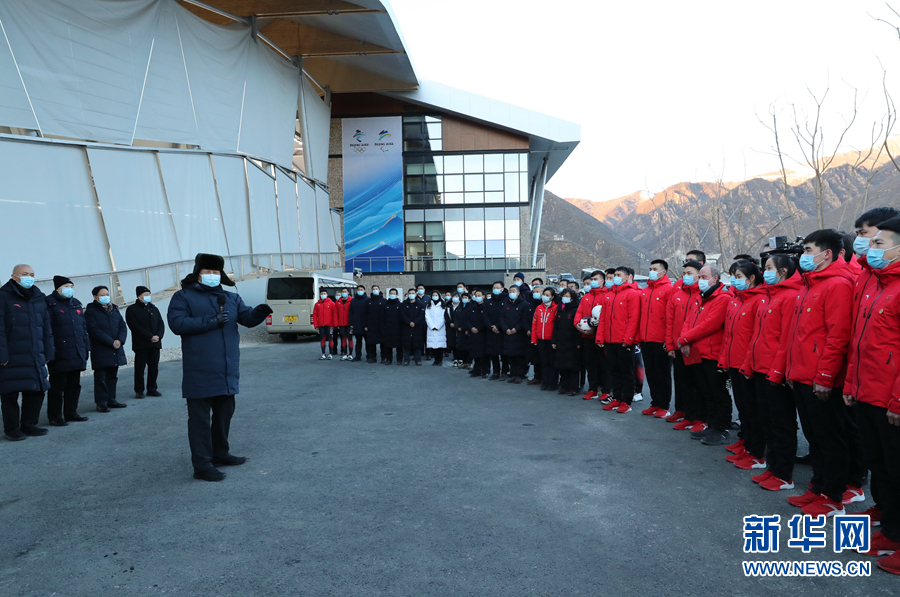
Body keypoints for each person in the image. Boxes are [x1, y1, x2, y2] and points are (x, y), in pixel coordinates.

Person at [774, 229, 866, 517]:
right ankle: (818, 485)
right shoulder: (810, 284)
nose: (803, 256)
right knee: (815, 437)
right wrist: (791, 369)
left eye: (809, 250)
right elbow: (799, 334)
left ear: (827, 254)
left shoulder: (837, 284)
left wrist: (825, 377)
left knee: (830, 438)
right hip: (801, 374)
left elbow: (838, 336)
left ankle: (833, 495)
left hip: (821, 378)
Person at [167, 253, 271, 482]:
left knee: (224, 415)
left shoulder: (230, 298)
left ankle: (220, 453)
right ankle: (202, 465)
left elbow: (246, 318)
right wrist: (211, 321)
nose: (212, 276)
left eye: (216, 272)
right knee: (200, 421)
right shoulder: (182, 297)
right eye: (207, 272)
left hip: (227, 370)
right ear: (198, 273)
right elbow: (176, 324)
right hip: (199, 369)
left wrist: (260, 312)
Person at [842, 216, 900, 573]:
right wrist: (851, 386)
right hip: (867, 393)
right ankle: (891, 531)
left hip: (890, 399)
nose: (870, 249)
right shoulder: (876, 284)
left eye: (879, 244)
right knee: (880, 466)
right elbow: (859, 343)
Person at [744, 253, 802, 491]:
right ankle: (772, 467)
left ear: (783, 272)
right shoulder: (768, 297)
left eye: (769, 267)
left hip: (774, 372)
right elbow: (756, 336)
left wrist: (776, 372)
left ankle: (783, 473)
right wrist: (749, 364)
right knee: (767, 421)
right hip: (759, 368)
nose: (764, 271)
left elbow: (785, 340)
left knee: (781, 423)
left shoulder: (789, 297)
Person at [718, 260, 767, 469]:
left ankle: (756, 450)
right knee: (743, 408)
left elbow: (756, 337)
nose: (733, 281)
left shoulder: (759, 300)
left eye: (737, 277)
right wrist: (725, 360)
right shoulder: (737, 300)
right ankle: (746, 441)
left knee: (752, 409)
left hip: (748, 365)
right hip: (734, 361)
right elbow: (729, 335)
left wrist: (747, 364)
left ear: (752, 278)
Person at [675, 264, 731, 445]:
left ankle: (721, 428)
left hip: (713, 353)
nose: (700, 281)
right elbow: (688, 321)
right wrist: (685, 339)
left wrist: (685, 339)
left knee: (717, 392)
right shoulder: (700, 298)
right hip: (697, 351)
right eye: (699, 277)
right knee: (705, 391)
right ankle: (711, 424)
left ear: (715, 278)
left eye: (703, 277)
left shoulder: (722, 298)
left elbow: (709, 325)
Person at [0, 264, 54, 441]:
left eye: (31, 274)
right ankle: (12, 428)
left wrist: (48, 352)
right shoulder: (3, 296)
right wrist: (2, 355)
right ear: (14, 276)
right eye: (24, 274)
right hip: (12, 355)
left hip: (35, 354)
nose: (29, 277)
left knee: (36, 390)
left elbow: (46, 327)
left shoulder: (39, 298)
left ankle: (29, 424)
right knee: (10, 393)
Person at [44, 276, 89, 426]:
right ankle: (55, 415)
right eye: (66, 286)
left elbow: (83, 328)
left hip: (76, 351)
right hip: (59, 352)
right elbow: (47, 329)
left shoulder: (76, 304)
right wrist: (50, 351)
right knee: (57, 387)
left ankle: (71, 412)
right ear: (57, 288)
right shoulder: (49, 304)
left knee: (74, 385)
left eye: (71, 286)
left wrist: (85, 347)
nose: (70, 289)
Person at [596, 266, 641, 414]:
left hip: (623, 341)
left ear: (627, 277)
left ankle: (626, 401)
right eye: (614, 274)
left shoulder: (632, 294)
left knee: (626, 372)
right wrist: (600, 337)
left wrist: (628, 339)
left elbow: (634, 319)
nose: (615, 277)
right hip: (610, 340)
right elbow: (603, 318)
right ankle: (617, 397)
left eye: (618, 275)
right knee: (614, 371)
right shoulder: (608, 295)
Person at [666, 260, 703, 428]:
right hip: (678, 346)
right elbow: (670, 321)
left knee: (696, 383)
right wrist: (670, 345)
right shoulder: (677, 295)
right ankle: (686, 413)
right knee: (682, 382)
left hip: (694, 347)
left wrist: (687, 340)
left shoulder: (702, 295)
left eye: (690, 273)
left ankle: (697, 417)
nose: (685, 277)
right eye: (684, 274)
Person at [638, 260, 675, 418]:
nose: (651, 271)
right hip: (646, 339)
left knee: (662, 374)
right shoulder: (645, 291)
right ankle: (655, 403)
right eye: (650, 268)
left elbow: (670, 317)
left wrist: (668, 340)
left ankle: (664, 406)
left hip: (660, 339)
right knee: (651, 373)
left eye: (655, 269)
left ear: (663, 271)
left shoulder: (669, 290)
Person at [85, 285, 128, 413]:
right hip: (101, 349)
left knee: (112, 376)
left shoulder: (114, 309)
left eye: (107, 294)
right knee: (101, 377)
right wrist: (111, 342)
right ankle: (102, 402)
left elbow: (122, 326)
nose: (105, 296)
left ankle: (112, 399)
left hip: (115, 348)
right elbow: (93, 330)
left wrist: (119, 340)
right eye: (102, 294)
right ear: (95, 297)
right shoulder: (91, 311)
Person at [125, 285, 164, 398]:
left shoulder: (153, 308)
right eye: (145, 295)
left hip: (155, 343)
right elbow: (134, 326)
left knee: (154, 367)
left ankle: (152, 388)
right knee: (140, 368)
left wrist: (158, 336)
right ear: (139, 296)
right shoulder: (132, 309)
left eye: (148, 294)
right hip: (141, 344)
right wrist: (149, 337)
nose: (148, 296)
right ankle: (139, 390)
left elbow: (161, 324)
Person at [574, 270, 608, 401]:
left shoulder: (607, 296)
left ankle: (605, 390)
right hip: (586, 336)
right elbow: (579, 313)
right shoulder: (586, 297)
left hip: (601, 336)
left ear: (602, 281)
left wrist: (597, 330)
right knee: (590, 364)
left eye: (595, 279)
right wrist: (578, 325)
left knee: (603, 365)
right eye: (591, 279)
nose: (592, 282)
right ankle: (592, 389)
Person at [499, 283, 531, 383]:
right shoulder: (506, 304)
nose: (511, 293)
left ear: (518, 293)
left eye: (514, 291)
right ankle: (513, 373)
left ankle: (520, 374)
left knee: (519, 355)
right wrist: (505, 328)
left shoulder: (524, 304)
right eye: (510, 291)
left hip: (519, 333)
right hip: (507, 333)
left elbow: (524, 319)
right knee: (510, 354)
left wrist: (516, 329)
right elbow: (502, 317)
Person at [552, 288, 582, 395]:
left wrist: (578, 342)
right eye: (563, 296)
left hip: (572, 342)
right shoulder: (560, 310)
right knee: (562, 365)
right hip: (561, 341)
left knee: (573, 366)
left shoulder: (575, 309)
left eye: (567, 296)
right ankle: (565, 385)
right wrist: (554, 341)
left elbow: (577, 328)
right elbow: (556, 327)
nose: (564, 298)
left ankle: (574, 387)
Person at [532, 286, 559, 391]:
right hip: (540, 339)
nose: (545, 297)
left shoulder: (556, 308)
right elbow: (534, 324)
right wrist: (534, 339)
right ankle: (545, 381)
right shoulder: (539, 308)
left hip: (551, 339)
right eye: (544, 294)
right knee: (544, 362)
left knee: (552, 362)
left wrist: (555, 340)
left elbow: (556, 326)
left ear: (552, 297)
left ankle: (553, 382)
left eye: (547, 295)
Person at [484, 282, 508, 379]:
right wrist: (491, 327)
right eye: (494, 288)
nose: (495, 289)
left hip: (502, 330)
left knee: (503, 353)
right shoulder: (488, 302)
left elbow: (505, 316)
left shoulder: (506, 300)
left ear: (502, 289)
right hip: (491, 331)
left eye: (498, 287)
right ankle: (496, 371)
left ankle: (505, 371)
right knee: (493, 353)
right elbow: (485, 316)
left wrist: (498, 326)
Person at [467, 290, 489, 378]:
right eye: (476, 295)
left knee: (484, 353)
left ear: (483, 296)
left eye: (479, 295)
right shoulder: (471, 307)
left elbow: (486, 319)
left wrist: (478, 328)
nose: (477, 297)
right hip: (473, 333)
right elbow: (467, 319)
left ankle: (485, 370)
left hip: (483, 332)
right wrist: (471, 328)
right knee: (474, 351)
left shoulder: (486, 307)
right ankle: (476, 369)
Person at [400, 288, 426, 365]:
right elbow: (402, 314)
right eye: (410, 293)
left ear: (415, 294)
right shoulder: (404, 304)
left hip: (417, 327)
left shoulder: (420, 304)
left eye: (412, 293)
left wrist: (415, 322)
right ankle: (406, 360)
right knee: (406, 345)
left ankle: (418, 360)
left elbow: (421, 315)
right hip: (406, 327)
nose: (411, 295)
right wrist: (409, 322)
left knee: (417, 344)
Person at [312, 289, 336, 360]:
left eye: (324, 293)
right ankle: (323, 353)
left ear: (327, 295)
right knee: (322, 339)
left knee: (330, 338)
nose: (323, 295)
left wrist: (334, 325)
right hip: (321, 325)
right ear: (320, 295)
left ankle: (330, 353)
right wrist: (316, 325)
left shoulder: (331, 303)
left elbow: (334, 314)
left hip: (329, 325)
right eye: (322, 293)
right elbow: (314, 315)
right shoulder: (317, 304)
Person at [364, 285, 386, 363]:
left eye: (376, 289)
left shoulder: (384, 301)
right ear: (371, 291)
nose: (375, 290)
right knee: (371, 343)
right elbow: (365, 314)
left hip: (381, 325)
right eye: (373, 289)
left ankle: (384, 357)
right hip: (371, 325)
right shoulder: (368, 301)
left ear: (379, 290)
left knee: (383, 342)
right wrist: (365, 325)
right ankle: (372, 357)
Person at [381, 289, 403, 365]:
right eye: (391, 293)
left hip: (398, 328)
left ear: (397, 295)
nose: (392, 295)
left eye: (394, 293)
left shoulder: (400, 305)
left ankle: (399, 359)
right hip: (387, 328)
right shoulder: (385, 304)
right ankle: (388, 359)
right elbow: (382, 317)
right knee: (387, 345)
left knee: (399, 345)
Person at [425, 291, 447, 366]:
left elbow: (444, 317)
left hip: (440, 328)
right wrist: (432, 326)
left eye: (436, 295)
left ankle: (440, 360)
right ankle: (435, 360)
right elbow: (427, 316)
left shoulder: (443, 305)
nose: (435, 296)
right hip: (431, 328)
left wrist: (438, 326)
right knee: (433, 345)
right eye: (433, 295)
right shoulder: (428, 305)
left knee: (440, 345)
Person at [348, 285, 369, 361]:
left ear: (364, 291)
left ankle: (369, 356)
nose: (360, 291)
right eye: (358, 289)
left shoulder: (368, 300)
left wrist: (368, 324)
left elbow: (369, 314)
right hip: (356, 324)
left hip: (365, 325)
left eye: (361, 289)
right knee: (358, 342)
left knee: (368, 342)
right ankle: (358, 356)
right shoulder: (353, 300)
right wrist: (351, 323)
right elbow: (351, 312)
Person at [334, 288, 353, 360]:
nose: (344, 293)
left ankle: (350, 354)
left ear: (348, 292)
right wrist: (336, 324)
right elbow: (336, 313)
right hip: (341, 324)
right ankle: (345, 353)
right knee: (343, 339)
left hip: (349, 324)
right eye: (343, 292)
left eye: (345, 291)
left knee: (350, 339)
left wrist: (352, 323)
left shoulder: (351, 301)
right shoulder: (338, 302)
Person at [453, 293, 471, 369]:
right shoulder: (459, 307)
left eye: (466, 297)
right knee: (461, 347)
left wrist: (466, 329)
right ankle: (463, 362)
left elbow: (470, 319)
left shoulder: (471, 307)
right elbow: (456, 318)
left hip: (467, 330)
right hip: (460, 330)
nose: (464, 299)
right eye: (463, 297)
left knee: (468, 347)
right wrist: (457, 327)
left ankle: (469, 362)